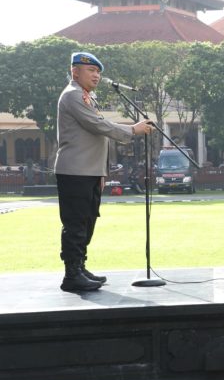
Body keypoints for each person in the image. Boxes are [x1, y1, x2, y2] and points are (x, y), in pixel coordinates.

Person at [55, 52, 153, 292]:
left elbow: (96, 136)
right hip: (75, 171)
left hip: (89, 171)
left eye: (98, 72)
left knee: (87, 221)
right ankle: (71, 275)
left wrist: (101, 172)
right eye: (91, 71)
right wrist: (132, 130)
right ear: (74, 71)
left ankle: (79, 266)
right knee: (76, 222)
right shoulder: (73, 96)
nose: (96, 75)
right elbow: (98, 125)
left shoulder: (87, 97)